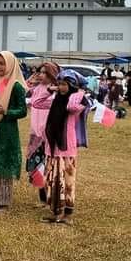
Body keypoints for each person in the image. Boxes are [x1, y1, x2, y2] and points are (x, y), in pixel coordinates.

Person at [42, 70, 90, 225]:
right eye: (59, 84)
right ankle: (55, 211)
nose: (61, 88)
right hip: (53, 145)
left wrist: (79, 91)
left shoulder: (78, 102)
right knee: (53, 179)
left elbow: (71, 106)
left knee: (67, 180)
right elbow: (37, 102)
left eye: (64, 85)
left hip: (66, 147)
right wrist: (50, 90)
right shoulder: (55, 99)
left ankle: (67, 213)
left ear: (72, 86)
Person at [0, 51, 27, 211]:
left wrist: (7, 112)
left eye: (2, 63)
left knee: (3, 165)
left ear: (10, 64)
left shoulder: (16, 86)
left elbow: (22, 111)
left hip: (7, 130)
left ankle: (3, 202)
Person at [27, 62, 59, 206]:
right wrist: (31, 79)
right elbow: (24, 89)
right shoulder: (36, 88)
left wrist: (50, 90)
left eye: (45, 72)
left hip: (48, 134)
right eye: (40, 72)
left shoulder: (56, 91)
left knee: (48, 166)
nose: (41, 75)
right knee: (36, 165)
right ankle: (42, 197)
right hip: (35, 133)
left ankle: (51, 196)